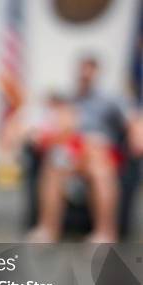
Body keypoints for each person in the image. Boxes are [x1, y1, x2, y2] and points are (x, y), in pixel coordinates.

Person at [27, 56, 127, 243]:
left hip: (99, 153)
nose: (85, 74)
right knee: (54, 164)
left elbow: (132, 122)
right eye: (82, 69)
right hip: (72, 152)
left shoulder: (111, 100)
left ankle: (105, 233)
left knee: (101, 172)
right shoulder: (68, 100)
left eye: (90, 69)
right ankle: (47, 229)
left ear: (97, 72)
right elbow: (54, 127)